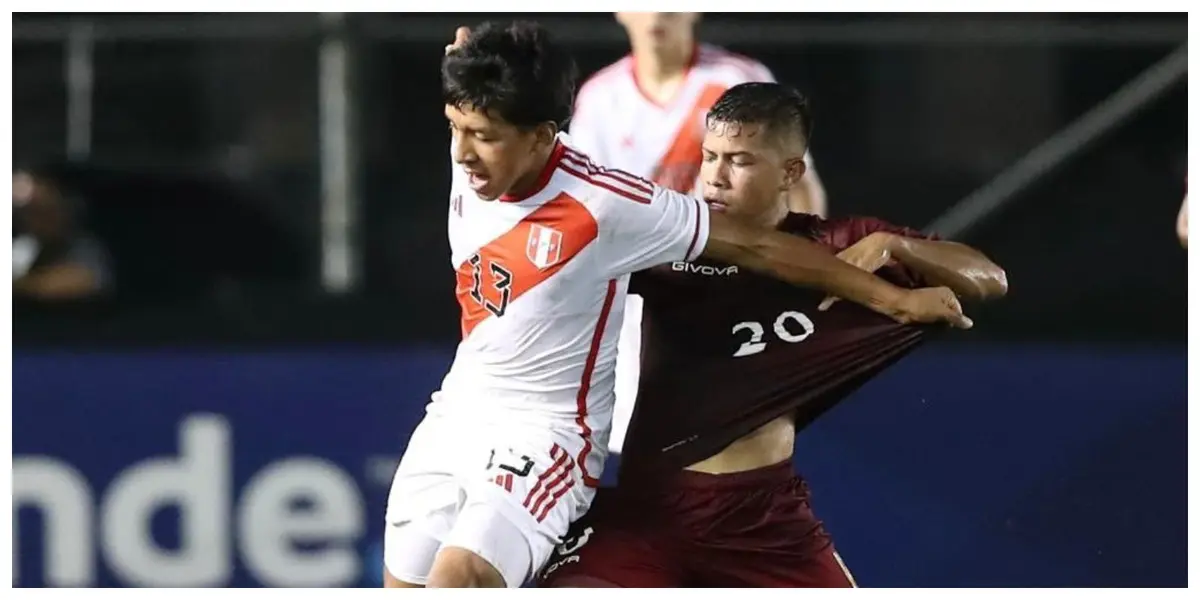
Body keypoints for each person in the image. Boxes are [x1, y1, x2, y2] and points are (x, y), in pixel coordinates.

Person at [383, 23, 971, 589]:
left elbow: (759, 244)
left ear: (541, 136)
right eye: (454, 127)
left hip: (546, 433)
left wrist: (893, 295)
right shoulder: (480, 151)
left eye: (482, 135)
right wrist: (468, 54)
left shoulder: (611, 204)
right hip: (455, 414)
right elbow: (475, 75)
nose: (462, 153)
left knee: (460, 580)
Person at [537, 82, 1008, 588]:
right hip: (648, 508)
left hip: (759, 520)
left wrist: (896, 247)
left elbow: (990, 280)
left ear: (791, 172)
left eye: (739, 161)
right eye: (709, 156)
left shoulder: (836, 244)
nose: (713, 177)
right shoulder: (671, 234)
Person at [570, 12, 828, 455]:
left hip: (731, 310)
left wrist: (794, 280)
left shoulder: (738, 80)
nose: (657, 11)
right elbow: (584, 216)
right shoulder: (600, 100)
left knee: (735, 462)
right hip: (640, 322)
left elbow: (801, 195)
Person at [12, 167, 112, 301]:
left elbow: (84, 280)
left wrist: (21, 284)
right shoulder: (23, 246)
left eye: (47, 212)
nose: (40, 221)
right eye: (32, 213)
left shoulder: (83, 245)